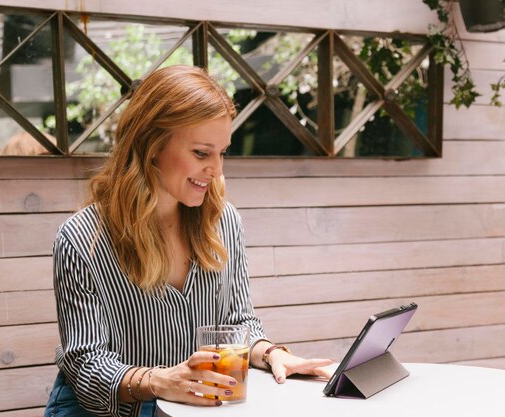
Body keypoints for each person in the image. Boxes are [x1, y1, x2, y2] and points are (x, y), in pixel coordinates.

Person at [44, 65, 333, 417]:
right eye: (201, 153)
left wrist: (274, 355)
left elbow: (239, 322)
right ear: (152, 145)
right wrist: (159, 382)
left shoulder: (224, 222)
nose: (216, 170)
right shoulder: (82, 240)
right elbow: (86, 364)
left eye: (222, 152)